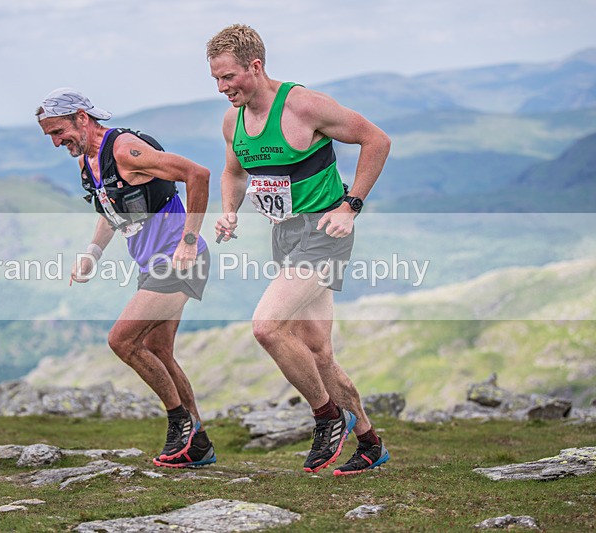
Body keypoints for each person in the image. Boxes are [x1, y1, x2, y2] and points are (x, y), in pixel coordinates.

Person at [206, 25, 391, 476]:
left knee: (267, 327)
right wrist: (228, 211)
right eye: (215, 79)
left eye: (229, 76)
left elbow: (377, 140)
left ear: (255, 66)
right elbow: (234, 172)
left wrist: (351, 206)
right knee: (318, 352)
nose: (222, 87)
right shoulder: (233, 121)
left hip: (325, 231)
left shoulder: (303, 106)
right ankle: (370, 443)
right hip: (285, 235)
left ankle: (327, 417)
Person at [36, 87, 216, 468]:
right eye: (49, 135)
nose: (55, 142)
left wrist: (189, 240)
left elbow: (197, 175)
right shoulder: (87, 163)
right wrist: (93, 253)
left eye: (58, 132)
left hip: (179, 261)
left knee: (122, 340)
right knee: (158, 350)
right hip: (151, 265)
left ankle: (179, 422)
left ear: (81, 118)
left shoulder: (123, 149)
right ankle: (198, 443)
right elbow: (110, 210)